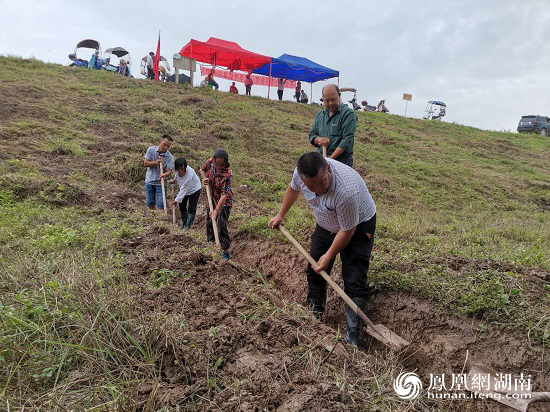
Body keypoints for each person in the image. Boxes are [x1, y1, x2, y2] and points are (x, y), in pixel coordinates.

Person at [268, 152, 376, 347]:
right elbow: (293, 190)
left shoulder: (346, 190)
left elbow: (347, 230)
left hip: (358, 226)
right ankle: (314, 315)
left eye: (323, 182)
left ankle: (353, 336)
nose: (319, 190)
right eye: (312, 187)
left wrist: (329, 255)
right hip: (326, 223)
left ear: (328, 168)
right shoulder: (301, 175)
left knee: (354, 276)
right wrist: (280, 215)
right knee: (315, 268)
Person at [309, 84, 357, 167]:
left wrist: (330, 159)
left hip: (342, 162)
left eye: (333, 99)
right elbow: (312, 135)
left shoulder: (348, 114)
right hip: (322, 160)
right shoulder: (320, 115)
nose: (330, 103)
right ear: (323, 100)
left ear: (339, 96)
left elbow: (347, 140)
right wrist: (319, 140)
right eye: (327, 101)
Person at [200, 150, 233, 260]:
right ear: (213, 160)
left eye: (221, 165)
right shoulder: (210, 162)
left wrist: (216, 210)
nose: (218, 167)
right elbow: (202, 170)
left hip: (224, 203)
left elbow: (224, 195)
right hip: (212, 198)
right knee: (209, 223)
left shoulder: (227, 174)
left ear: (225, 163)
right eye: (216, 164)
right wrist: (204, 178)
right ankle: (210, 245)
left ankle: (225, 251)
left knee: (220, 225)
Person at [143, 135, 175, 210]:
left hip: (161, 183)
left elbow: (169, 171)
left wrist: (165, 174)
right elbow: (145, 163)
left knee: (161, 204)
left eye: (168, 146)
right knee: (150, 202)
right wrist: (156, 162)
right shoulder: (151, 150)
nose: (166, 147)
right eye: (164, 145)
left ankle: (162, 217)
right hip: (149, 181)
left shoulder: (170, 157)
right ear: (159, 142)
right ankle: (153, 215)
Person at [170, 157, 202, 230]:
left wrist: (176, 200)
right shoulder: (177, 170)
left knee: (191, 208)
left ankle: (188, 226)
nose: (182, 170)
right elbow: (177, 176)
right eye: (180, 169)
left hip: (194, 189)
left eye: (183, 169)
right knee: (182, 206)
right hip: (184, 189)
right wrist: (174, 180)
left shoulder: (189, 174)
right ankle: (184, 223)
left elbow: (184, 189)